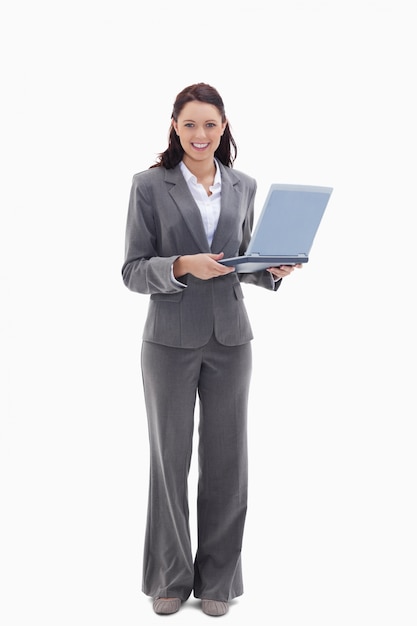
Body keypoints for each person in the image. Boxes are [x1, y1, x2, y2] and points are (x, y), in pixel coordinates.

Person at [122, 82, 300, 617]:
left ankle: (218, 581)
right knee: (169, 462)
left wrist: (272, 270)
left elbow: (241, 259)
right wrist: (180, 265)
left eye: (211, 124)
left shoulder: (243, 184)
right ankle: (170, 578)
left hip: (231, 339)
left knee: (228, 463)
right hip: (168, 341)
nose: (201, 134)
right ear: (174, 126)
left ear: (225, 128)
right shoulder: (149, 186)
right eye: (191, 123)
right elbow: (131, 271)